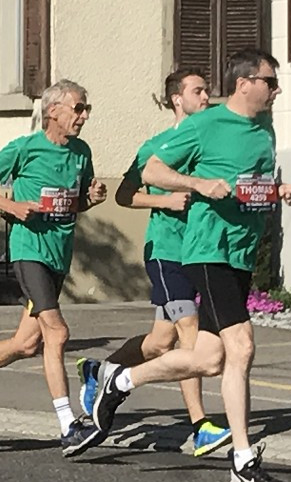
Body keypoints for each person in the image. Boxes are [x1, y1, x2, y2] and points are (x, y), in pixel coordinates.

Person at [89, 49, 291, 482]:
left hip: (241, 252)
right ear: (245, 83)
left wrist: (277, 190)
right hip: (208, 249)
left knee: (209, 359)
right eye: (270, 81)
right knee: (240, 346)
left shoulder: (264, 126)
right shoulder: (206, 124)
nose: (275, 89)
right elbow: (153, 170)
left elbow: (247, 183)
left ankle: (122, 379)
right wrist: (198, 184)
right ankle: (242, 461)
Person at [0, 80, 108, 458]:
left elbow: (74, 204)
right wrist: (12, 208)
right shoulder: (25, 148)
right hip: (29, 252)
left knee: (26, 343)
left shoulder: (81, 152)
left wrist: (91, 200)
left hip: (58, 255)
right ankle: (68, 426)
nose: (83, 116)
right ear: (53, 112)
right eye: (78, 108)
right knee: (57, 333)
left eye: (86, 109)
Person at [77, 69, 232, 458]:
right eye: (198, 91)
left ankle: (101, 370)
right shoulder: (157, 146)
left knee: (161, 342)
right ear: (177, 99)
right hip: (167, 252)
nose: (206, 98)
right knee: (190, 337)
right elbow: (125, 195)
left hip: (202, 251)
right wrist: (164, 201)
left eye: (207, 91)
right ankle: (201, 427)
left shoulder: (210, 146)